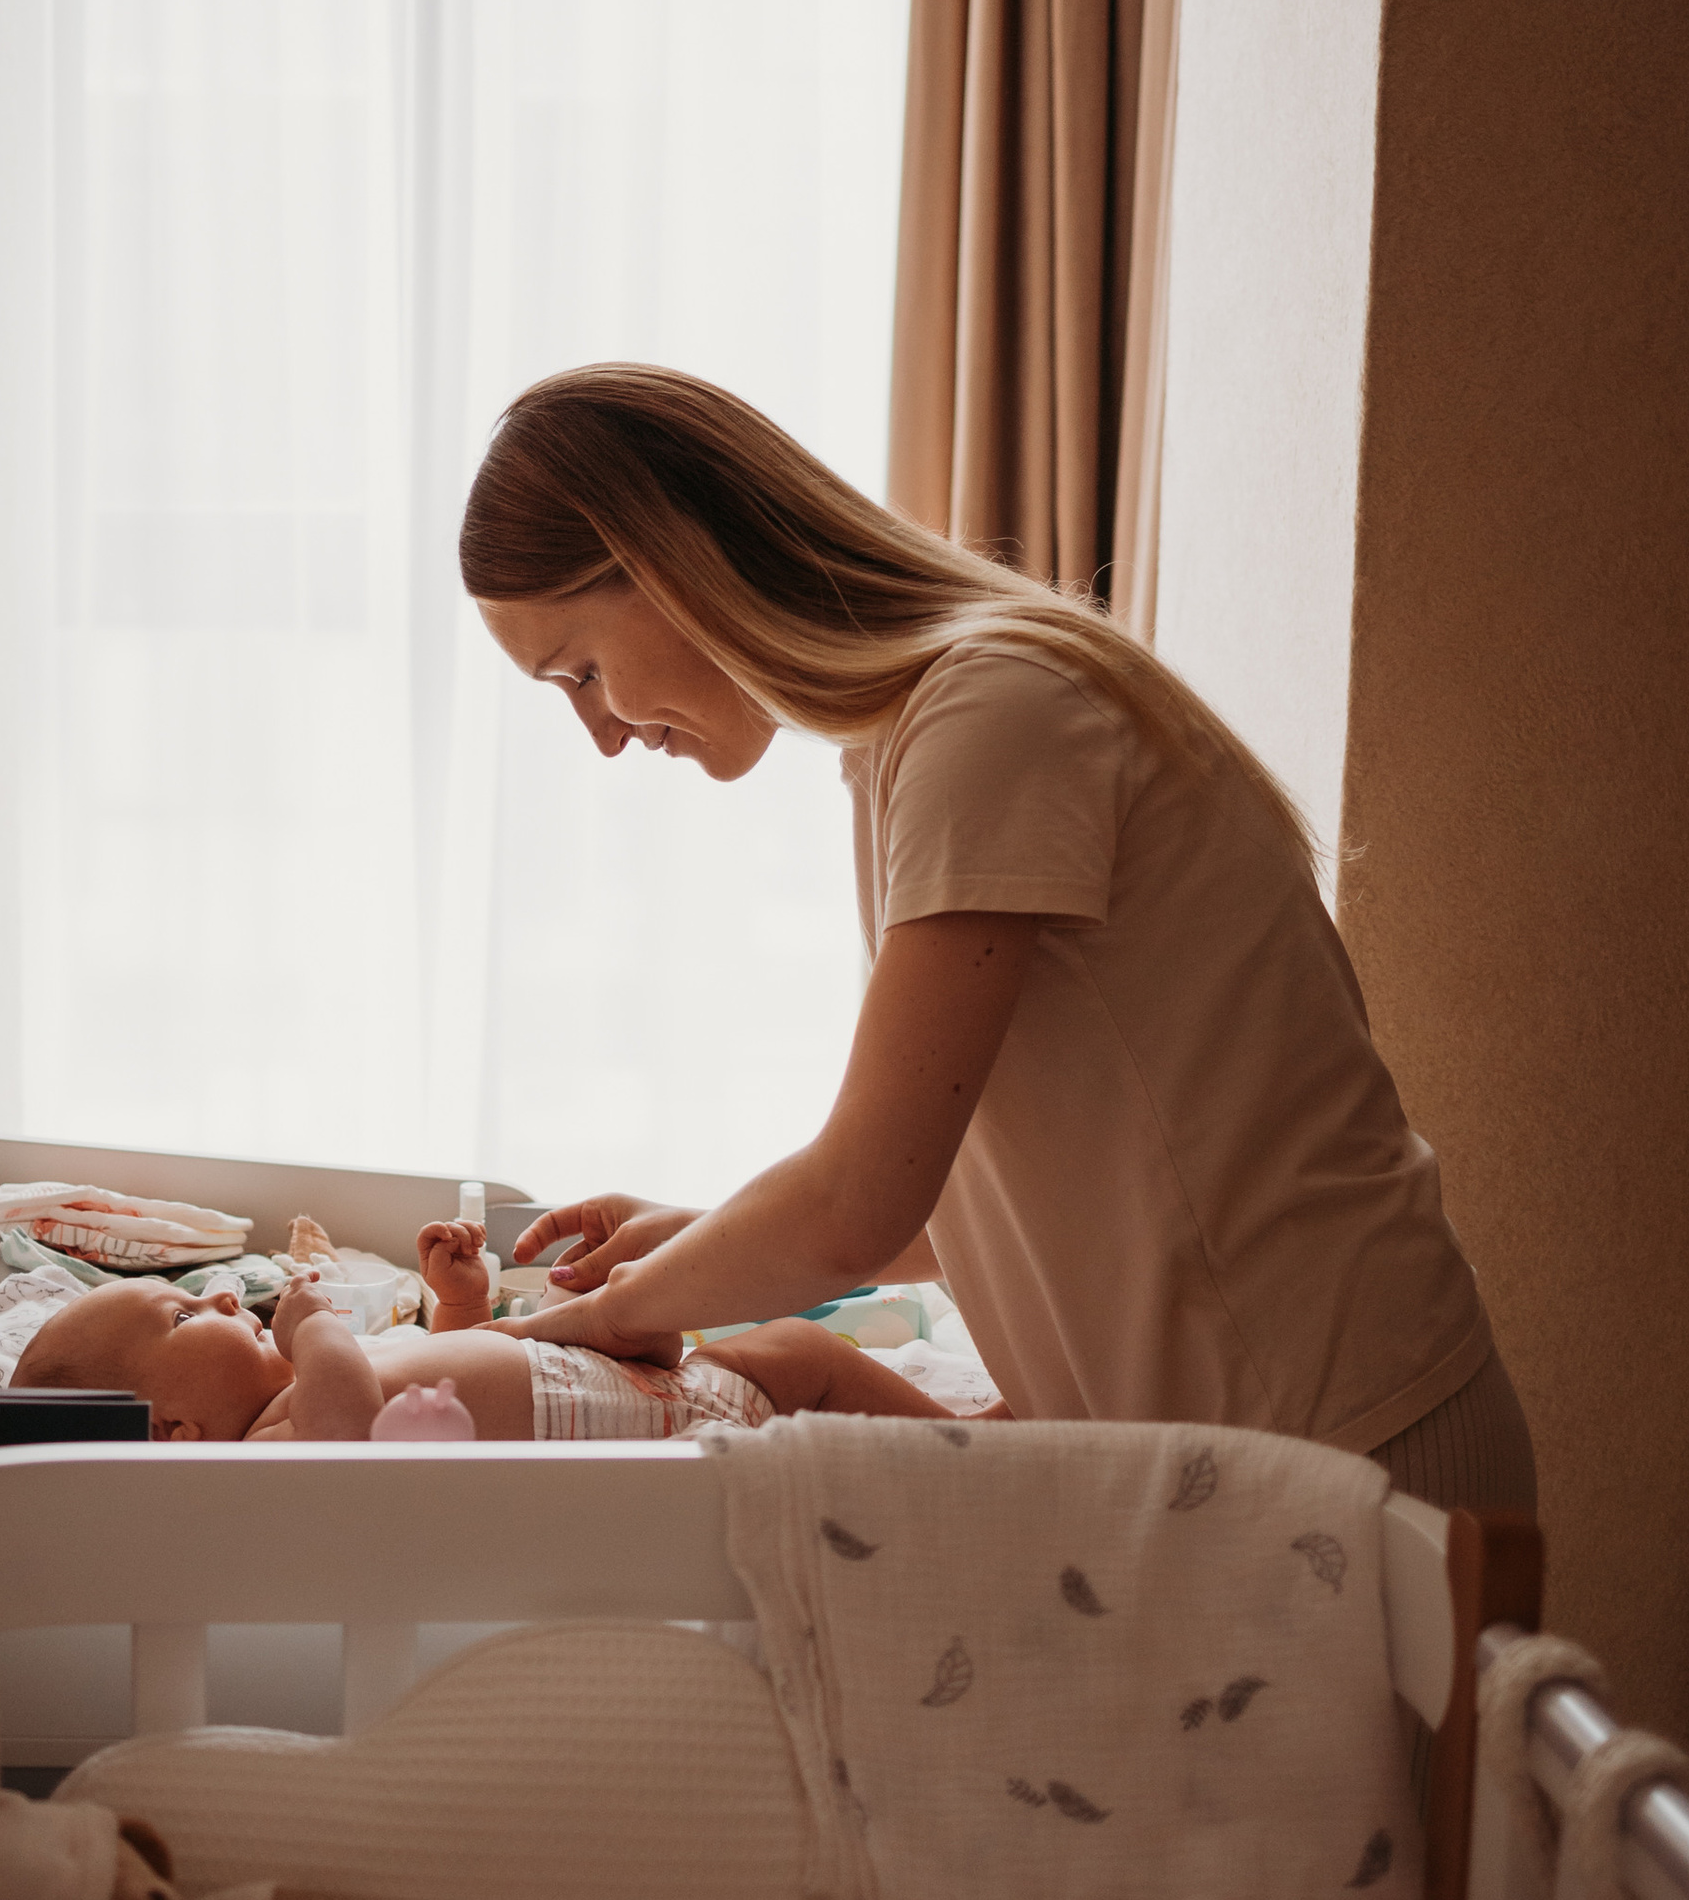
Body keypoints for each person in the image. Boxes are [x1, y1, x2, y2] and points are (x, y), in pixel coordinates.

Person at [458, 363, 1537, 1515]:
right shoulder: (908, 738)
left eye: (579, 670)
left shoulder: (991, 712)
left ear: (671, 560)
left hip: (1352, 1441)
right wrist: (705, 1238)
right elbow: (955, 1198)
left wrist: (616, 1314)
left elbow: (858, 1201)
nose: (602, 737)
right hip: (1264, 1452)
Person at [11, 1223, 961, 1446]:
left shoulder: (314, 1383)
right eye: (182, 1316)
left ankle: (963, 1423)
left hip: (618, 1381)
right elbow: (356, 1439)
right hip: (672, 1445)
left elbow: (436, 1396)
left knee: (769, 1348)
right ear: (176, 1431)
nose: (225, 1301)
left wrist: (458, 1305)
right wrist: (314, 1333)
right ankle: (972, 1445)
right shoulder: (276, 1442)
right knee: (796, 1360)